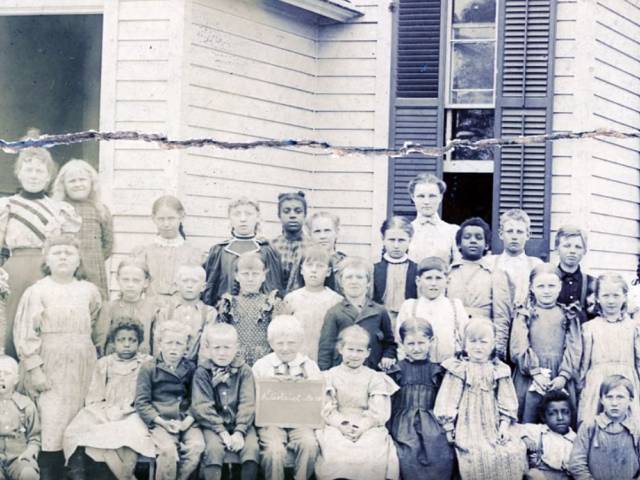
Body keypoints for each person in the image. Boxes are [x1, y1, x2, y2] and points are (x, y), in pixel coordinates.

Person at [13, 234, 102, 479]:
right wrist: (35, 369)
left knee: (78, 419)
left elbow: (94, 323)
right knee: (51, 420)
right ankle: (47, 472)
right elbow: (25, 333)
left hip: (82, 365)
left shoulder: (89, 290)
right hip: (49, 363)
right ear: (47, 260)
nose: (63, 257)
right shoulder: (38, 291)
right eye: (57, 252)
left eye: (69, 253)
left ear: (78, 260)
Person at [0, 144, 81, 358]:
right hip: (15, 271)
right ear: (19, 173)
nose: (34, 176)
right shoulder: (8, 205)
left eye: (39, 171)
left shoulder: (60, 209)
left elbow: (68, 244)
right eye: (29, 170)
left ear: (48, 176)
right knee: (12, 323)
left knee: (46, 321)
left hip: (48, 269)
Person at [434, 318, 527, 480]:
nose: (478, 347)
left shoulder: (499, 370)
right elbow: (448, 399)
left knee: (510, 452)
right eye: (473, 342)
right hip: (468, 425)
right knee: (477, 454)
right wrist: (449, 426)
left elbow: (506, 400)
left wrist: (504, 426)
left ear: (492, 345)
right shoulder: (459, 368)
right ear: (464, 345)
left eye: (483, 342)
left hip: (494, 424)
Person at [63, 318, 154, 480]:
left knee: (133, 434)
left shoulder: (146, 363)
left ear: (139, 342)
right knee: (75, 431)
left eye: (132, 340)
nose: (126, 344)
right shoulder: (105, 363)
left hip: (133, 411)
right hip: (106, 409)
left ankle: (126, 474)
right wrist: (105, 412)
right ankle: (77, 474)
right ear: (113, 342)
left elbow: (149, 394)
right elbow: (95, 396)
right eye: (121, 340)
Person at [315, 326, 400, 480]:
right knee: (337, 448)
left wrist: (362, 427)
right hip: (337, 423)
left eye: (360, 351)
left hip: (367, 424)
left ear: (367, 352)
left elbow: (378, 411)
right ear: (341, 349)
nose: (354, 355)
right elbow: (327, 409)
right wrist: (341, 425)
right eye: (350, 349)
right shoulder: (330, 376)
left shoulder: (374, 377)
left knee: (371, 448)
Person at [510, 264, 582, 423]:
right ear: (532, 288)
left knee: (559, 419)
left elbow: (574, 347)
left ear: (560, 287)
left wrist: (564, 376)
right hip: (530, 376)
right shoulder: (525, 314)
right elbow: (518, 346)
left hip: (560, 374)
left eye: (551, 286)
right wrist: (535, 372)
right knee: (529, 420)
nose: (547, 290)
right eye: (541, 286)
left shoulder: (567, 314)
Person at [252, 315, 321, 480]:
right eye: (279, 343)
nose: (285, 348)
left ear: (300, 342)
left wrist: (302, 386)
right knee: (274, 450)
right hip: (271, 422)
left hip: (301, 421)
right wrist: (270, 384)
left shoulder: (309, 366)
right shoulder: (262, 366)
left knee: (310, 445)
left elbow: (318, 397)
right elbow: (252, 398)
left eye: (291, 343)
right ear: (270, 343)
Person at [135, 320, 205, 480]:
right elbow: (142, 402)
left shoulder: (192, 368)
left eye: (179, 344)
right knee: (168, 451)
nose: (173, 348)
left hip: (186, 420)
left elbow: (198, 400)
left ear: (186, 348)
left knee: (197, 447)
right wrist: (161, 422)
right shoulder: (149, 368)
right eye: (169, 343)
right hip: (161, 421)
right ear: (159, 345)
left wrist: (187, 422)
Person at [191, 323, 260, 480]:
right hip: (213, 425)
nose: (222, 353)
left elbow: (247, 403)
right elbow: (202, 406)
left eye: (227, 347)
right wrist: (222, 432)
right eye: (217, 348)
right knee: (214, 449)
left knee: (252, 448)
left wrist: (239, 431)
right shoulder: (202, 373)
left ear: (236, 347)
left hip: (241, 424)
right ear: (207, 348)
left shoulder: (245, 371)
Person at [387, 318, 454, 480]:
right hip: (403, 425)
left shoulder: (437, 371)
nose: (416, 348)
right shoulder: (396, 371)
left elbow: (445, 402)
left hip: (433, 424)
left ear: (431, 341)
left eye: (421, 343)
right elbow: (389, 404)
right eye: (410, 344)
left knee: (442, 454)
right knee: (406, 455)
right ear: (401, 343)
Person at [577, 273, 640, 425]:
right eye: (605, 295)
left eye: (616, 295)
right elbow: (583, 364)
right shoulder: (589, 327)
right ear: (597, 298)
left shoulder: (633, 327)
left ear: (625, 297)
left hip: (627, 381)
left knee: (630, 426)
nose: (611, 301)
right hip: (597, 384)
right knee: (592, 424)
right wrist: (581, 387)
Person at [446, 217, 513, 359]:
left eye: (478, 238)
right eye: (467, 237)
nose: (473, 241)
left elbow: (502, 316)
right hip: (452, 340)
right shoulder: (447, 273)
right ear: (458, 244)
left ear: (487, 245)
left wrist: (498, 350)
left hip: (483, 341)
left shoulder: (496, 273)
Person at [317, 257, 396, 371]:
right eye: (349, 277)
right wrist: (325, 375)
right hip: (342, 374)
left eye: (359, 277)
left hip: (372, 372)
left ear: (368, 282)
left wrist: (387, 356)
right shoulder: (335, 312)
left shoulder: (380, 311)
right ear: (341, 282)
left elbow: (389, 343)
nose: (354, 281)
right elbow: (326, 349)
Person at [203, 196, 283, 306]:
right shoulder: (219, 251)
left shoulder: (266, 250)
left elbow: (274, 288)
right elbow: (210, 290)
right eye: (237, 214)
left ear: (258, 217)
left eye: (249, 214)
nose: (243, 219)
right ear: (229, 218)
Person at [52, 159, 113, 300]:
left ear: (92, 183)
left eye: (82, 180)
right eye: (72, 181)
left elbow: (108, 245)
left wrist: (92, 259)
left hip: (94, 270)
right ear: (63, 185)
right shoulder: (57, 209)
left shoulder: (101, 210)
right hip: (65, 269)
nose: (78, 184)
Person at [216, 252, 285, 366]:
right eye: (245, 274)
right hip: (236, 362)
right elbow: (221, 336)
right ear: (237, 276)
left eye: (255, 274)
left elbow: (278, 335)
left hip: (265, 362)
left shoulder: (272, 303)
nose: (250, 279)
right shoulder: (229, 303)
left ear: (263, 276)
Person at [395, 256, 468, 362]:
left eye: (438, 278)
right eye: (428, 278)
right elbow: (400, 341)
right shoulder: (409, 306)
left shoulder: (455, 305)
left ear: (447, 281)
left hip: (450, 367)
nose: (433, 283)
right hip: (417, 366)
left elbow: (465, 338)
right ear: (418, 281)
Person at [568, 374, 640, 480]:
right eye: (609, 397)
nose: (614, 403)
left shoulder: (636, 428)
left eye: (620, 397)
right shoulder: (590, 426)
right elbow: (576, 463)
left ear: (631, 399)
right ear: (601, 400)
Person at [132, 195, 204, 298]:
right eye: (161, 219)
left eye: (171, 218)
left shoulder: (194, 253)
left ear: (182, 216)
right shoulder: (143, 253)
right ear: (153, 218)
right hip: (150, 310)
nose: (166, 224)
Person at [282, 246, 342, 362]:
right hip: (297, 359)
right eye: (309, 265)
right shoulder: (291, 299)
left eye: (319, 266)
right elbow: (283, 332)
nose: (314, 270)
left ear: (328, 272)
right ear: (301, 270)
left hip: (325, 360)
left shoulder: (336, 300)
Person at [151, 264, 216, 361]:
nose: (189, 285)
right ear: (177, 285)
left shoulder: (209, 313)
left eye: (194, 281)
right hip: (168, 367)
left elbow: (207, 347)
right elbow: (158, 343)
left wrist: (200, 371)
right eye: (185, 281)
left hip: (195, 368)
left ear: (203, 287)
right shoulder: (166, 311)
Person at [106, 257, 164, 355]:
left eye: (136, 280)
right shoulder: (110, 308)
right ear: (118, 280)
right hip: (115, 363)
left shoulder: (153, 310)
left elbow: (158, 343)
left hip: (143, 362)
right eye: (125, 280)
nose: (130, 285)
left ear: (146, 282)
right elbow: (103, 340)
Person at [488, 209, 543, 307]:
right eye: (509, 231)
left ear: (528, 235)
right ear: (501, 234)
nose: (514, 237)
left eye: (519, 232)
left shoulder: (536, 265)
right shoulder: (490, 263)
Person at [517, 390, 576, 480]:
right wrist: (524, 437)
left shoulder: (575, 439)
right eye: (553, 413)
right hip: (543, 476)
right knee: (533, 474)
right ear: (544, 417)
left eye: (565, 412)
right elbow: (514, 428)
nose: (560, 418)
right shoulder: (539, 431)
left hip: (566, 476)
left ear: (571, 414)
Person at [373, 216, 418, 328]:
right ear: (383, 239)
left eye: (401, 240)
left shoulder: (417, 270)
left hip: (409, 321)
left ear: (410, 240)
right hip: (380, 321)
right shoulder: (374, 269)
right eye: (392, 240)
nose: (396, 245)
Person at [0, 355, 40, 480]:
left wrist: (28, 454)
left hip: (18, 457)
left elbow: (35, 438)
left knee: (28, 474)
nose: (1, 378)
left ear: (16, 379)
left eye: (7, 373)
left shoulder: (26, 405)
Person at [405, 173, 459, 265]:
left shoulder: (453, 231)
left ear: (440, 198)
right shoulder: (405, 231)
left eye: (432, 196)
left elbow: (458, 267)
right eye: (421, 196)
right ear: (413, 198)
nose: (426, 202)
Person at [270, 192, 313, 294]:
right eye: (286, 211)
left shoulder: (313, 247)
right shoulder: (271, 247)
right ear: (279, 215)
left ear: (305, 215)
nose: (292, 215)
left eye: (298, 211)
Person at [554, 225, 595, 323]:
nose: (572, 251)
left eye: (578, 247)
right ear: (557, 249)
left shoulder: (592, 284)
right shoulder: (546, 281)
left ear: (584, 251)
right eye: (567, 246)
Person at [305, 211, 346, 293]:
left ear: (337, 232)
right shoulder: (305, 262)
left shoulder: (345, 263)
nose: (322, 236)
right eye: (317, 231)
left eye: (327, 231)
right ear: (309, 235)